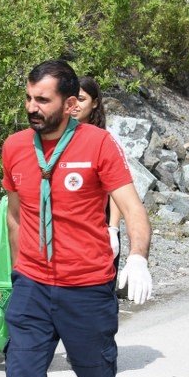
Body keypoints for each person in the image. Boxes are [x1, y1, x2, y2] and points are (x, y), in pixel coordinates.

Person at [0, 60, 154, 377]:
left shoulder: (97, 144)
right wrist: (19, 271)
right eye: (28, 98)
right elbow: (17, 213)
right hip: (32, 288)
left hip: (86, 289)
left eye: (42, 100)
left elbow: (132, 209)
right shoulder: (15, 148)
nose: (32, 108)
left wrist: (137, 257)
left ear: (70, 102)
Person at [71, 76, 123, 271]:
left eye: (81, 99)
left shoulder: (107, 140)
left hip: (101, 228)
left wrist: (113, 229)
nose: (75, 105)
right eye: (71, 99)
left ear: (95, 103)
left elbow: (118, 190)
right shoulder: (58, 137)